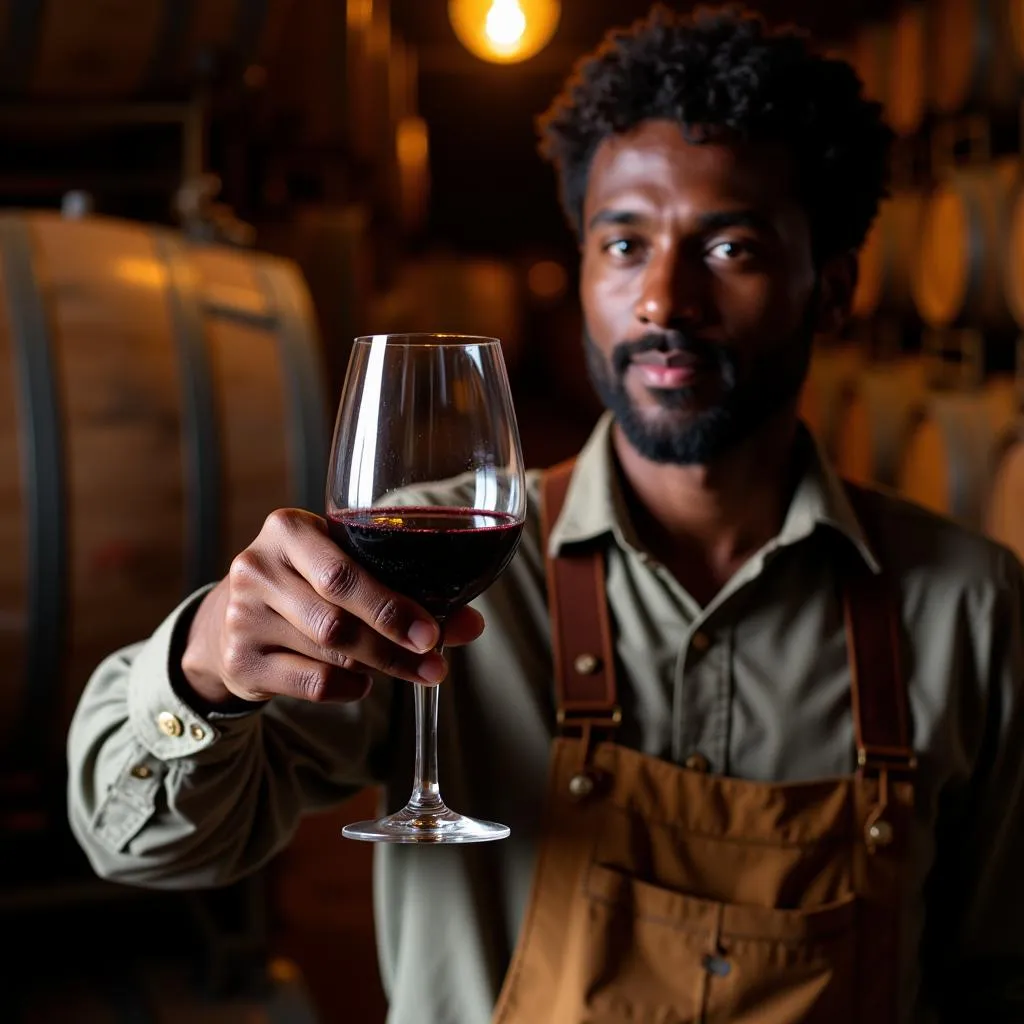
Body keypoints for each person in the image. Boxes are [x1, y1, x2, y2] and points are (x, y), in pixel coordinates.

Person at [68, 5, 1024, 1023]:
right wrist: (199, 673)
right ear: (579, 270)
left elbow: (995, 973)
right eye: (621, 244)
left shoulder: (964, 605)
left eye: (731, 246)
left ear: (831, 289)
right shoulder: (406, 567)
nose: (662, 297)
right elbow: (146, 848)